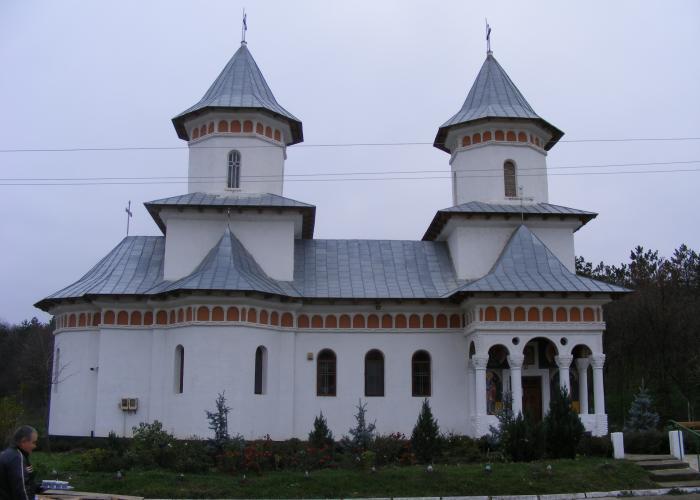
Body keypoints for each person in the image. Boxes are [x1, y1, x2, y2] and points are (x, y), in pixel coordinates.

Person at [0, 426, 42, 500]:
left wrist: (41, 487)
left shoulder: (6, 454)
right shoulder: (17, 458)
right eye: (34, 442)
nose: (35, 446)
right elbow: (21, 489)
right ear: (23, 441)